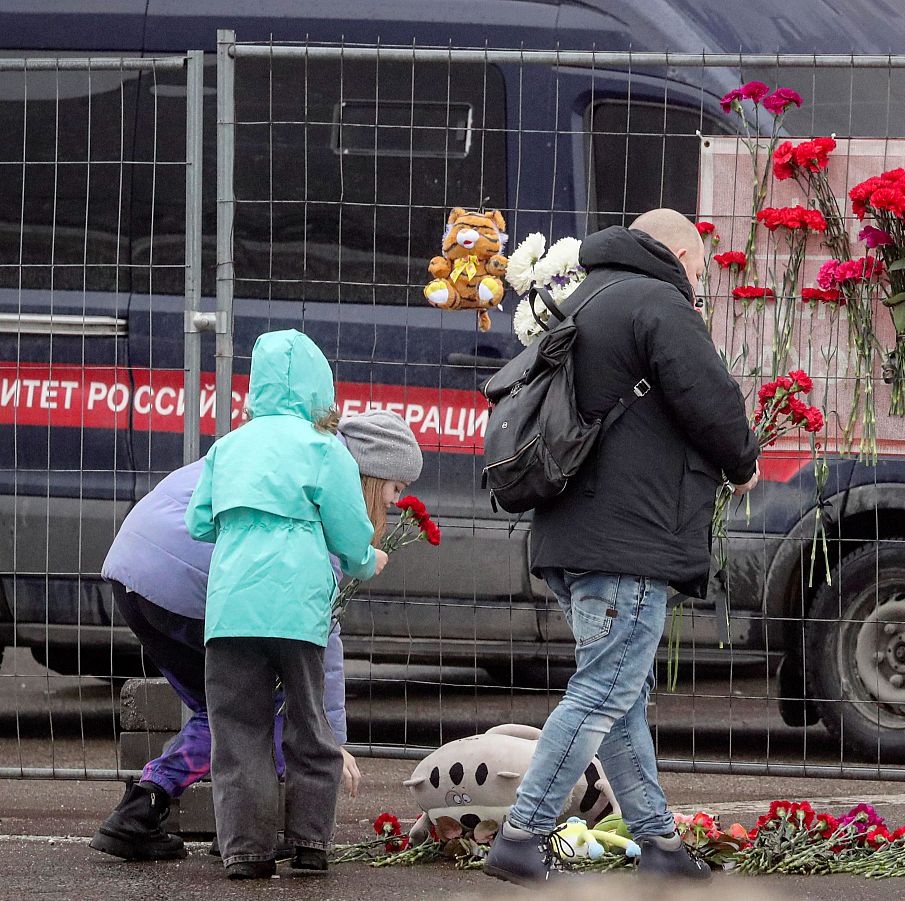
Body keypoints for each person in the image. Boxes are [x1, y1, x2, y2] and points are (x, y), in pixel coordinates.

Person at [484, 209, 760, 886]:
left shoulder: (585, 295)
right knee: (603, 691)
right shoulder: (659, 302)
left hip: (574, 535)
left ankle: (659, 843)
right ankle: (523, 832)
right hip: (628, 541)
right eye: (699, 271)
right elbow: (715, 404)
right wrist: (744, 460)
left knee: (618, 697)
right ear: (681, 256)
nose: (700, 285)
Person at [90, 406, 423, 863]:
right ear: (371, 474)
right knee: (264, 707)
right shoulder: (325, 485)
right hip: (185, 585)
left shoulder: (284, 445)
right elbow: (317, 628)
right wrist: (330, 736)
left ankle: (141, 813)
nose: (394, 503)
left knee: (223, 712)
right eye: (394, 489)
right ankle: (259, 833)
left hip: (133, 573)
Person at [185, 330, 393, 879]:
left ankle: (247, 852)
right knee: (309, 721)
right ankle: (309, 844)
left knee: (238, 732)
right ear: (317, 389)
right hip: (298, 608)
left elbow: (198, 520)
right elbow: (350, 536)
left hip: (231, 608)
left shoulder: (228, 445)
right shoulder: (323, 448)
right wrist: (368, 559)